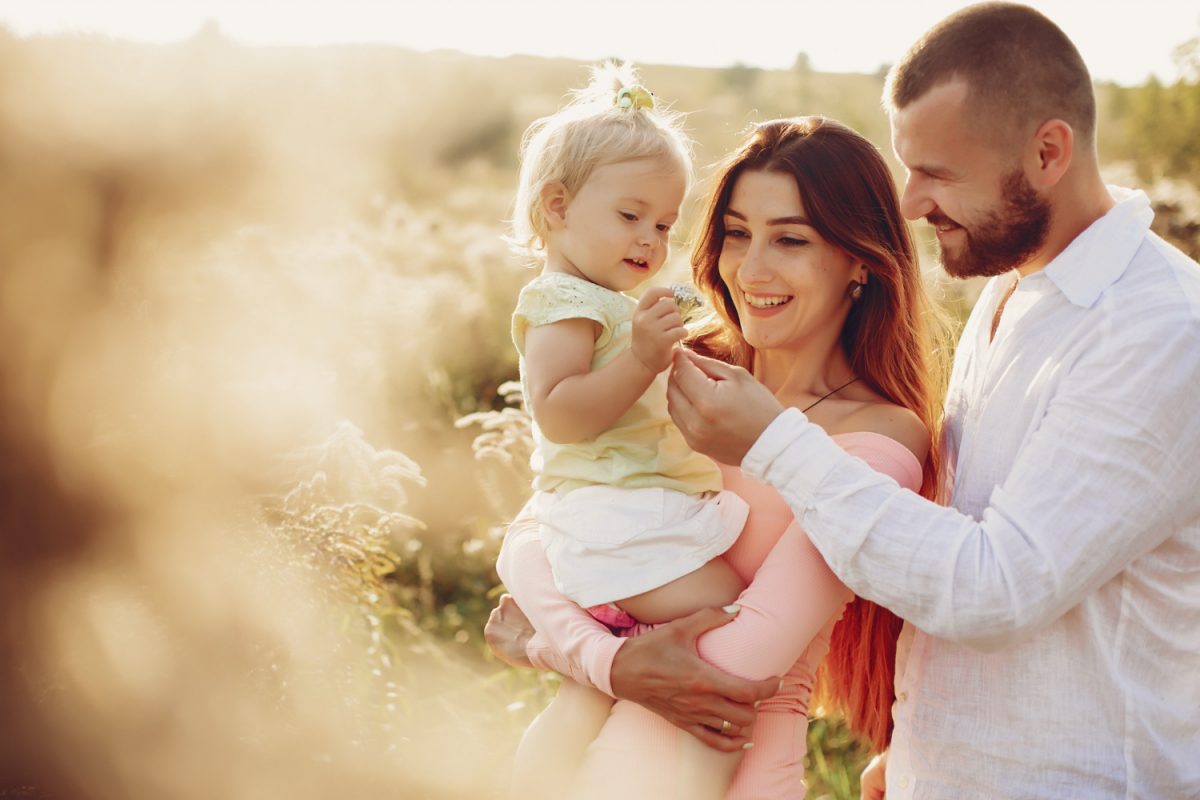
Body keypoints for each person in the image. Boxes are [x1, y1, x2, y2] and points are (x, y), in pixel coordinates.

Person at [659, 4, 1200, 798]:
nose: (911, 202)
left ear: (1049, 152)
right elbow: (963, 534)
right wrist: (918, 746)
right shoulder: (1014, 294)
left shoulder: (1160, 333)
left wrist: (775, 445)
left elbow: (997, 588)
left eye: (939, 173)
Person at [491, 112, 949, 799]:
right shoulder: (679, 367)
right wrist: (597, 653)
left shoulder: (879, 440)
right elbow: (539, 531)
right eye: (737, 233)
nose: (750, 267)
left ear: (861, 259)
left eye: (789, 239)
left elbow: (742, 656)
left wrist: (562, 645)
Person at [503, 62, 762, 799]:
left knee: (583, 700)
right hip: (614, 520)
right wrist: (645, 355)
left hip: (634, 516)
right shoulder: (561, 303)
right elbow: (559, 411)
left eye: (664, 223)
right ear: (557, 207)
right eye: (630, 216)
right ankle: (700, 782)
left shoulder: (609, 303)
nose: (651, 238)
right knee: (732, 618)